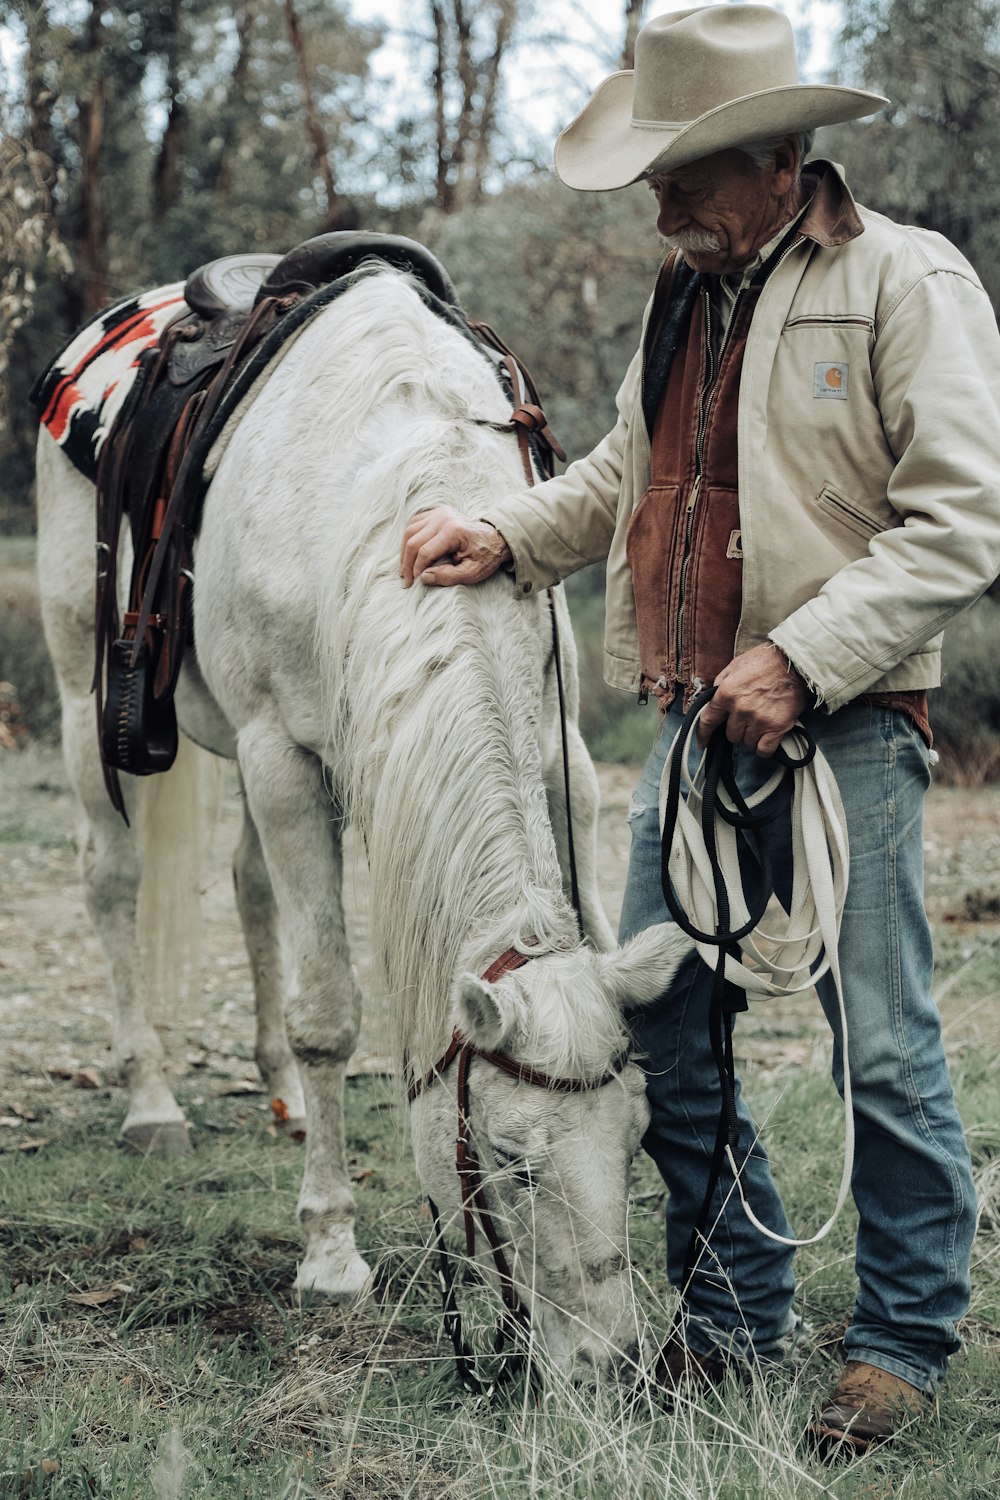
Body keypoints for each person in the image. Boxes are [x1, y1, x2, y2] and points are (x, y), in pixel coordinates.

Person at [399, 4, 1000, 1458]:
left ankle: (904, 1339)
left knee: (888, 1043)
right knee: (663, 1025)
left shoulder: (907, 282)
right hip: (689, 720)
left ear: (781, 157)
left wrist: (800, 655)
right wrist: (507, 533)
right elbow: (626, 475)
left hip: (842, 724)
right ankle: (732, 1314)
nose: (658, 205)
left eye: (682, 175)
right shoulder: (689, 290)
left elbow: (964, 518)